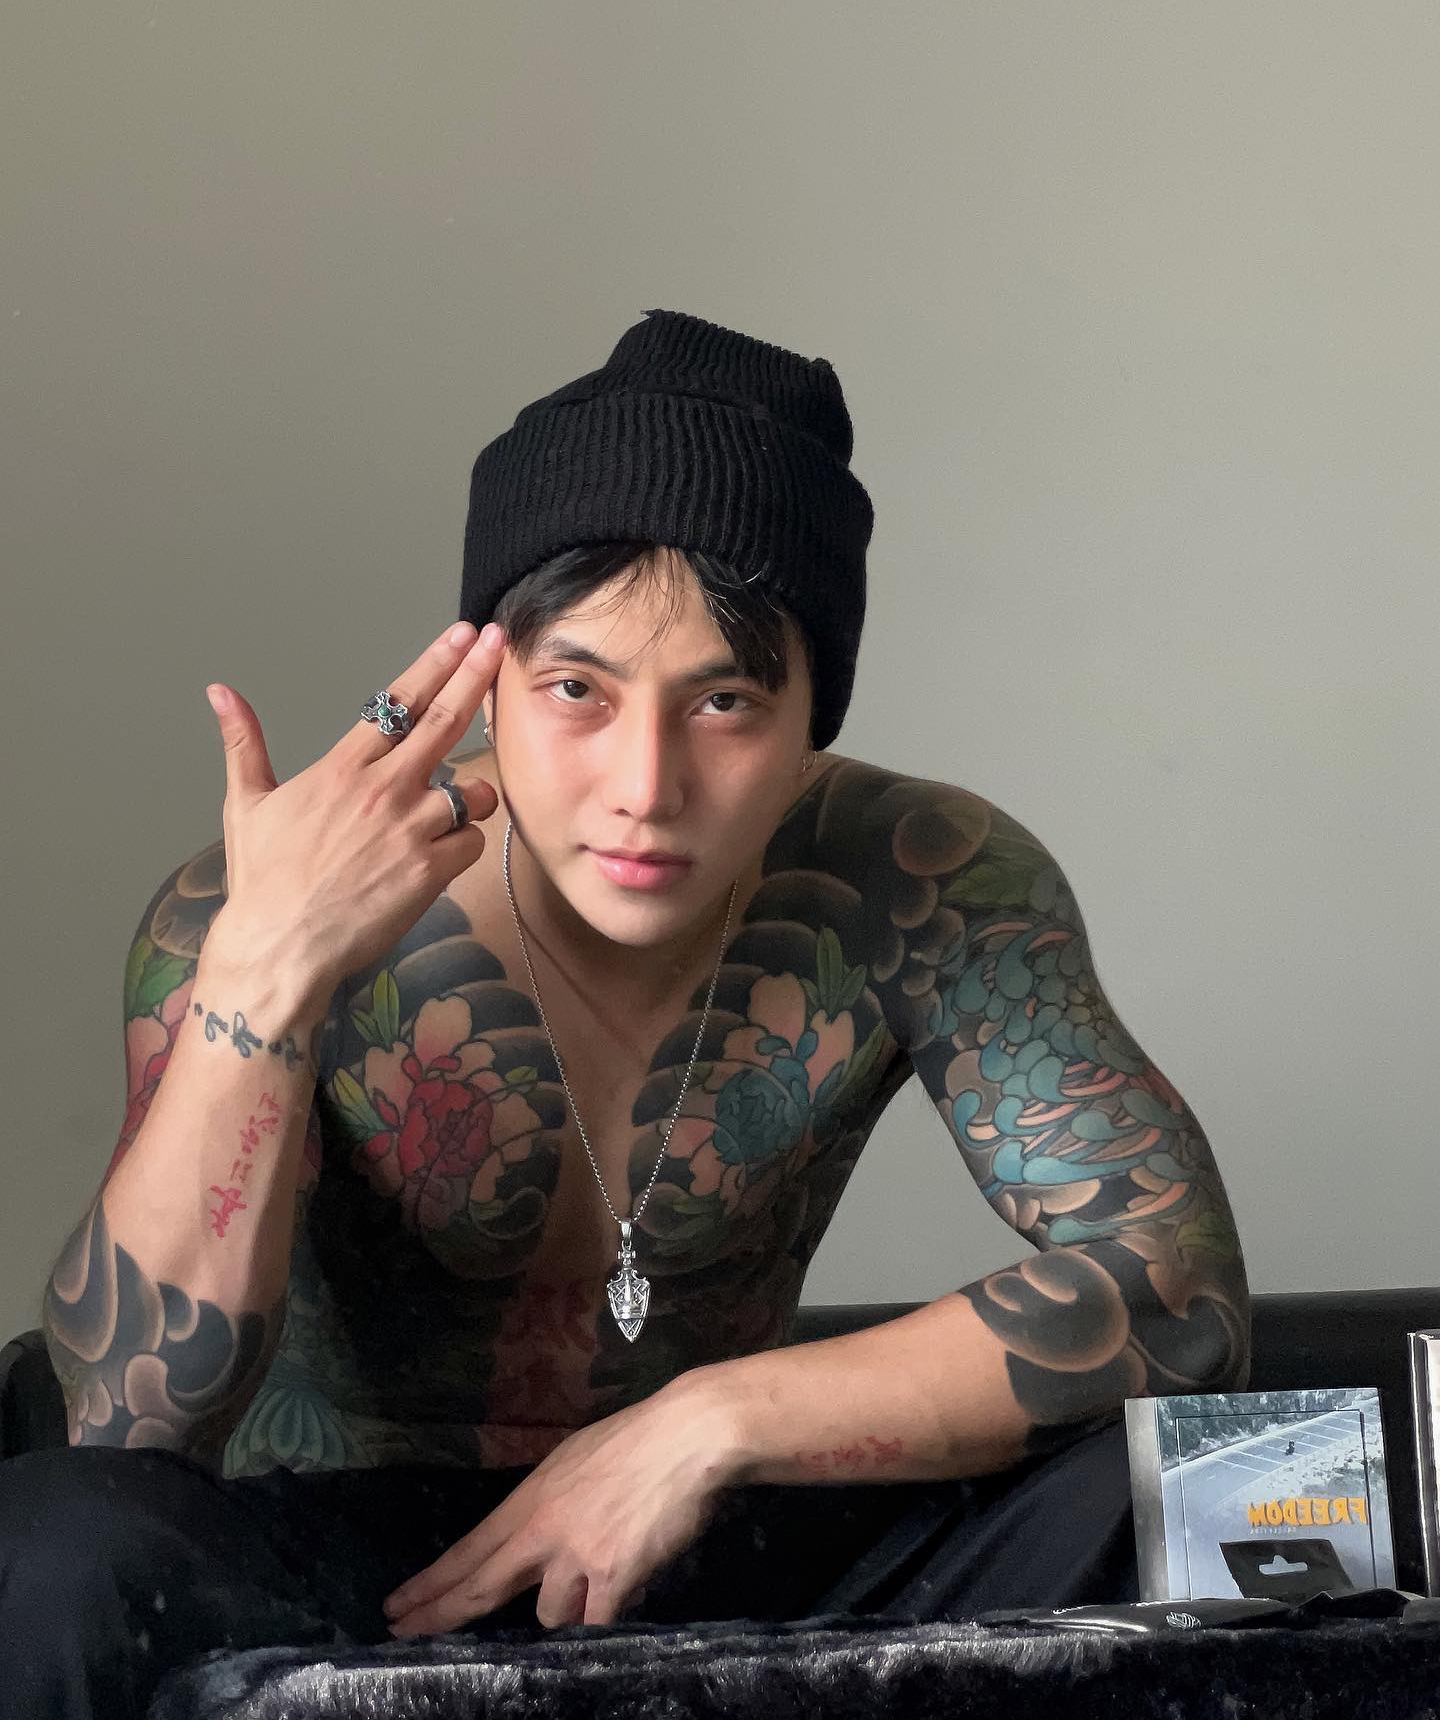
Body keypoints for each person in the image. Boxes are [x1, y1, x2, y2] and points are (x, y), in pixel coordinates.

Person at [1, 309, 1250, 1717]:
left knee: (1218, 1484)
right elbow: (128, 1425)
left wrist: (708, 1422)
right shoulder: (259, 902)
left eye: (724, 703)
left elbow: (1182, 1291)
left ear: (812, 720)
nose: (646, 786)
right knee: (58, 1544)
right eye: (577, 691)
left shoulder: (917, 881)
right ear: (486, 685)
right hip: (333, 1578)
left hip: (718, 1539)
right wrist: (263, 974)